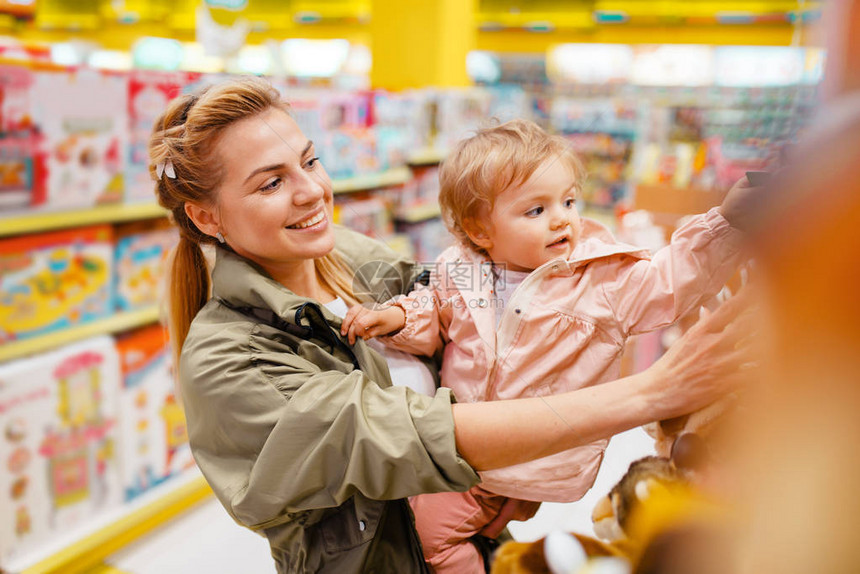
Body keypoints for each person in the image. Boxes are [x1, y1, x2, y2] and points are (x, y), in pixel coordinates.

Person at [148, 76, 753, 574]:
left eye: (310, 161)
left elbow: (457, 308)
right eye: (272, 182)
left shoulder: (350, 259)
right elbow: (408, 435)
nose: (313, 192)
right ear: (207, 216)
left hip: (480, 530)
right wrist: (651, 391)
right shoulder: (229, 362)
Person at [340, 119, 755, 572]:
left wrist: (726, 224)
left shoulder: (599, 281)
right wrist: (397, 317)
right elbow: (436, 311)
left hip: (530, 451)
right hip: (469, 446)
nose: (562, 218)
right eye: (535, 211)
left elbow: (669, 280)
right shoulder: (461, 269)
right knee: (448, 526)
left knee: (430, 536)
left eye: (569, 200)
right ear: (480, 231)